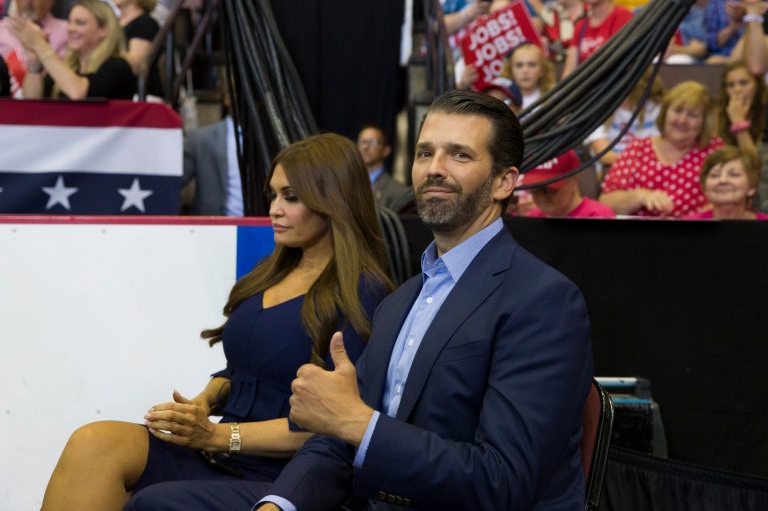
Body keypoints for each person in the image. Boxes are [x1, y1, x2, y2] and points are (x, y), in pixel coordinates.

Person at [125, 90, 594, 511]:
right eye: (426, 152)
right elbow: (333, 441)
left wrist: (360, 424)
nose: (434, 168)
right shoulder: (403, 302)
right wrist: (279, 505)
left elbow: (504, 482)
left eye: (460, 155)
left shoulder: (543, 301)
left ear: (504, 182)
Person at [40, 133, 393, 511]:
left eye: (290, 197)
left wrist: (217, 435)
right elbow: (239, 371)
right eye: (272, 195)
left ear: (332, 200)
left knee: (154, 502)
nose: (274, 208)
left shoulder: (363, 293)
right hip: (220, 451)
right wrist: (202, 404)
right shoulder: (270, 270)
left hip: (285, 477)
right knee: (92, 442)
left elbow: (336, 428)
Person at [600, 81, 724, 217]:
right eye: (677, 111)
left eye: (692, 115)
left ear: (705, 121)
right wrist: (640, 196)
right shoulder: (638, 149)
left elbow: (731, 200)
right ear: (665, 113)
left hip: (696, 233)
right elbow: (605, 203)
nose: (682, 120)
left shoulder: (715, 151)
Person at [8, 0, 135, 99]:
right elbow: (32, 103)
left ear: (103, 30)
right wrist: (34, 62)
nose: (70, 29)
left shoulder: (118, 66)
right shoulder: (68, 67)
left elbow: (78, 93)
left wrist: (40, 45)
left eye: (79, 23)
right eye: (70, 22)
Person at [584, 66, 665, 177]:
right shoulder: (599, 109)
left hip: (652, 172)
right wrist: (639, 163)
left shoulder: (656, 108)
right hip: (613, 173)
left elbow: (662, 148)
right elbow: (605, 155)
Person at [522, 149, 616, 217]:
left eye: (550, 190)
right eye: (534, 191)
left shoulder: (598, 216)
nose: (542, 198)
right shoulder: (534, 217)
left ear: (575, 179)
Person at [685, 145, 768, 219]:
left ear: (751, 187)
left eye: (734, 174)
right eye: (715, 175)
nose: (723, 180)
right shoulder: (687, 227)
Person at [561, 0, 632, 78]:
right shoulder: (581, 26)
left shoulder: (622, 16)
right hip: (586, 86)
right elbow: (569, 71)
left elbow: (621, 65)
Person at [357, 124, 415, 212]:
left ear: (386, 150)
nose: (365, 147)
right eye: (362, 142)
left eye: (373, 142)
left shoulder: (399, 192)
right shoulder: (347, 184)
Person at [717, 60, 766, 157]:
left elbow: (756, 166)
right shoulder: (718, 115)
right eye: (730, 85)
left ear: (758, 86)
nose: (737, 90)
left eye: (744, 83)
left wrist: (738, 122)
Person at [114, 0, 161, 97]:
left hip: (135, 92)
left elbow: (136, 65)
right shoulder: (112, 22)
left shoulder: (146, 23)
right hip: (115, 86)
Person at [502, 42, 556, 110]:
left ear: (542, 70)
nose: (525, 71)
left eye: (532, 65)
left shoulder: (553, 98)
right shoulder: (502, 101)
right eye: (519, 65)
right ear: (511, 70)